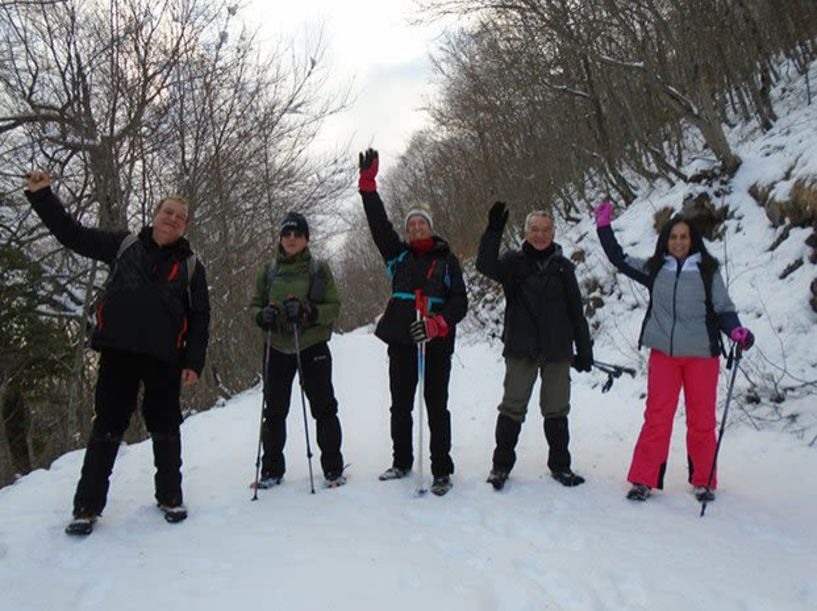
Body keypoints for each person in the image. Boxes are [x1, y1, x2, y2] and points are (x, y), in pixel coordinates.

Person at [24, 170, 210, 535]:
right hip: (117, 353)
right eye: (167, 212)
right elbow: (71, 234)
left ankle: (170, 496)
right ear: (155, 215)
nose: (171, 219)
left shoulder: (190, 266)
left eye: (179, 216)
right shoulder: (124, 245)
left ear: (185, 226)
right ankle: (86, 507)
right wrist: (42, 195)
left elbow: (200, 316)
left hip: (164, 359)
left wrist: (193, 361)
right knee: (107, 428)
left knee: (166, 429)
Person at [594, 200, 754, 502]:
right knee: (657, 417)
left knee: (702, 420)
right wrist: (603, 227)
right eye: (673, 237)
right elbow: (619, 258)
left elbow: (723, 309)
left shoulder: (708, 271)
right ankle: (643, 479)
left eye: (684, 237)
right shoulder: (656, 269)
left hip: (702, 356)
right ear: (665, 240)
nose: (679, 242)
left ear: (692, 239)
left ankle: (704, 481)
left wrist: (735, 330)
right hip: (664, 356)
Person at [357, 148, 467, 496]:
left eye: (422, 223)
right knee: (400, 403)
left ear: (431, 228)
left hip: (436, 339)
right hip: (402, 337)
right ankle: (402, 461)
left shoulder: (447, 260)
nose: (417, 227)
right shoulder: (398, 255)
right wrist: (368, 187)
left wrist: (438, 324)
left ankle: (441, 470)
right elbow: (378, 226)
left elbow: (460, 302)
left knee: (436, 404)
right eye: (412, 224)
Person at [476, 202, 594, 491]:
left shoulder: (564, 268)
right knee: (512, 407)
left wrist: (584, 350)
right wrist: (493, 231)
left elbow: (576, 312)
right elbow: (484, 265)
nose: (540, 235)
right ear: (526, 232)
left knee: (556, 409)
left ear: (553, 232)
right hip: (521, 347)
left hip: (557, 349)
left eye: (545, 230)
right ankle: (500, 466)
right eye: (534, 230)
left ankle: (561, 466)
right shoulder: (513, 263)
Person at [249, 212, 345, 489]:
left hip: (311, 344)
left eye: (298, 235)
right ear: (280, 238)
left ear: (306, 239)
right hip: (277, 346)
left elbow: (334, 307)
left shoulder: (319, 269)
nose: (292, 239)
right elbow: (254, 305)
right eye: (287, 234)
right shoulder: (268, 271)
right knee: (275, 409)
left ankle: (332, 469)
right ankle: (271, 470)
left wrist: (308, 311)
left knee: (324, 407)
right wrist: (262, 315)